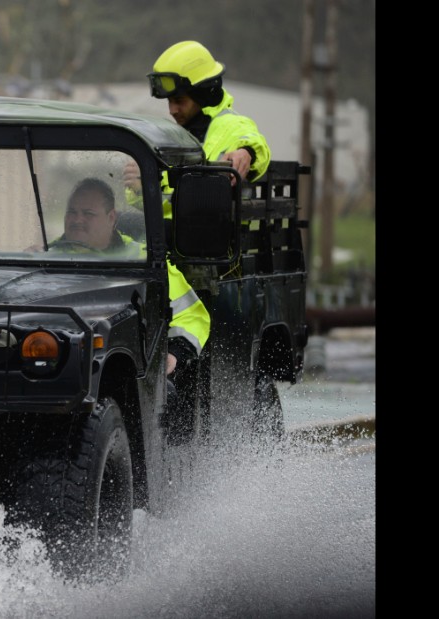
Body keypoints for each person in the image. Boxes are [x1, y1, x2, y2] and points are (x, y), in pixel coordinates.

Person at [50, 178, 210, 430]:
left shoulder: (143, 261)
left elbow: (192, 314)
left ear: (112, 217)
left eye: (88, 213)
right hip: (53, 378)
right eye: (72, 211)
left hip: (126, 386)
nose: (77, 219)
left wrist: (174, 353)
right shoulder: (44, 259)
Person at [125, 40, 271, 218]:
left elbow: (256, 144)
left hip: (210, 241)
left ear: (202, 95)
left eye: (179, 101)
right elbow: (167, 208)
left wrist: (246, 153)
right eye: (169, 102)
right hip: (175, 239)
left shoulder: (233, 125)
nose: (172, 111)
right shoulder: (175, 136)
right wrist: (141, 189)